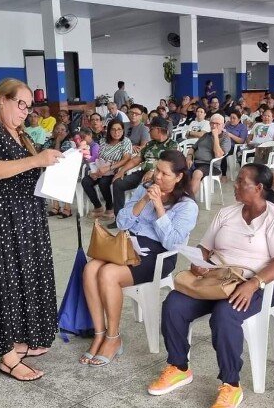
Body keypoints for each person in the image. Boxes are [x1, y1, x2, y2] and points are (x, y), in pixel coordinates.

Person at [148, 163, 274, 408]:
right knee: (174, 303)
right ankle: (178, 365)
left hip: (259, 281)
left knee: (225, 314)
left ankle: (231, 384)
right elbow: (205, 247)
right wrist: (199, 261)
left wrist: (253, 283)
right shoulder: (226, 214)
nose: (235, 186)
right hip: (219, 278)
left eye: (241, 182)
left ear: (259, 188)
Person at [0, 78, 65, 381]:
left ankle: (22, 339)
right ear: (2, 100)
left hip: (25, 218)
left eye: (29, 106)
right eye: (21, 104)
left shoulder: (18, 133)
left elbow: (32, 167)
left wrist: (59, 159)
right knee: (1, 283)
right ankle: (7, 357)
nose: (25, 111)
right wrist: (36, 159)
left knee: (25, 277)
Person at [81, 150, 198, 366]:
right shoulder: (145, 188)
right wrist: (144, 199)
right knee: (90, 269)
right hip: (128, 247)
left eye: (164, 173)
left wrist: (159, 207)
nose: (158, 177)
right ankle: (99, 333)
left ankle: (113, 338)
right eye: (157, 170)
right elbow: (123, 222)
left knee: (107, 273)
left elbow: (173, 243)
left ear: (179, 176)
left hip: (157, 256)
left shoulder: (187, 206)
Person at [109, 116, 178, 225]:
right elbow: (136, 160)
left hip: (159, 177)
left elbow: (170, 166)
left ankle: (141, 218)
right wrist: (122, 170)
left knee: (145, 188)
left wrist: (153, 171)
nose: (149, 131)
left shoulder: (172, 145)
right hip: (142, 173)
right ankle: (119, 218)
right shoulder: (150, 144)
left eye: (151, 129)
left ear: (158, 130)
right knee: (118, 183)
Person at [81, 119, 133, 221]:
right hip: (101, 169)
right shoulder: (103, 141)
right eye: (113, 130)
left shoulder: (126, 142)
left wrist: (109, 167)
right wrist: (95, 171)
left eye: (119, 129)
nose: (116, 132)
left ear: (123, 130)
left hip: (116, 170)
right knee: (86, 181)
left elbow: (126, 158)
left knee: (103, 183)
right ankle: (98, 207)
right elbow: (98, 157)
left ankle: (109, 208)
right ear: (109, 130)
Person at [185, 114, 231, 195]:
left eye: (217, 124)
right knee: (179, 172)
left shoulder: (225, 137)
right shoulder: (206, 135)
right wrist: (189, 157)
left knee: (197, 173)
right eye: (212, 123)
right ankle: (178, 199)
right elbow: (193, 148)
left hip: (211, 166)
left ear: (223, 125)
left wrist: (216, 136)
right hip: (196, 162)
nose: (214, 126)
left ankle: (189, 200)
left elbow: (218, 155)